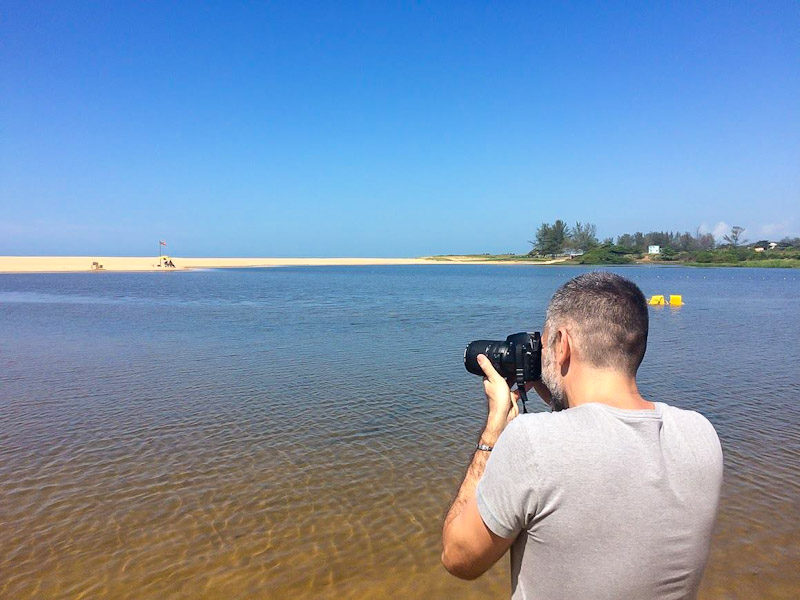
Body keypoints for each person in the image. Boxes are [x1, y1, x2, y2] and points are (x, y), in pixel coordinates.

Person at [441, 271, 723, 599]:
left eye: (545, 344)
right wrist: (562, 398)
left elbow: (459, 558)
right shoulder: (700, 435)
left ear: (562, 344)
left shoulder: (531, 442)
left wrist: (492, 433)